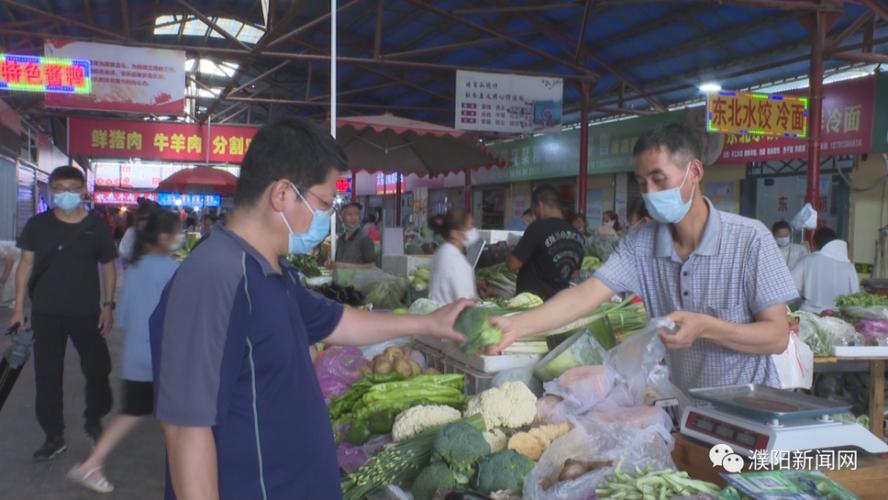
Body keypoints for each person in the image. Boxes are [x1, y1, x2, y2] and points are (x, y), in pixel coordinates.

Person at [149, 118, 469, 500]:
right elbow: (186, 430)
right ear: (283, 194)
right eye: (323, 202)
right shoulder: (214, 278)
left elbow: (338, 321)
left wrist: (430, 322)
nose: (327, 216)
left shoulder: (271, 270)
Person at [490, 123, 798, 392]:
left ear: (695, 172)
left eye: (659, 179)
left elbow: (776, 336)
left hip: (749, 407)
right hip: (686, 408)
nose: (649, 193)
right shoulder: (641, 243)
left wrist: (705, 327)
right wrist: (518, 325)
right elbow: (584, 296)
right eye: (641, 182)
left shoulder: (750, 239)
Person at [67, 208, 182, 494]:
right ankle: (186, 479)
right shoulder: (172, 270)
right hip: (162, 357)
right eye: (177, 233)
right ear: (166, 237)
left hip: (137, 355)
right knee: (173, 418)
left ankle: (92, 464)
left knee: (137, 413)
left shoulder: (136, 267)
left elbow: (126, 317)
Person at [10, 166, 118, 461]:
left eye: (72, 188)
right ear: (50, 191)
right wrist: (19, 307)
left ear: (83, 190)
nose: (65, 194)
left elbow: (109, 268)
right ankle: (52, 436)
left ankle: (93, 419)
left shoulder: (96, 226)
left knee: (98, 369)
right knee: (47, 377)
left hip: (86, 313)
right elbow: (26, 266)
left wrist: (108, 306)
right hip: (46, 314)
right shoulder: (37, 225)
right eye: (59, 188)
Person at [507, 184, 585, 300]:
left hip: (532, 305)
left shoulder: (537, 228)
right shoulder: (578, 236)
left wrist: (509, 249)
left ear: (539, 204)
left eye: (535, 209)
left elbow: (512, 265)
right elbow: (574, 274)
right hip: (559, 304)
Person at [791, 227, 859, 313]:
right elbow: (855, 296)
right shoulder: (849, 266)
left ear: (814, 244)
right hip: (839, 318)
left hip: (809, 315)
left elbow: (790, 289)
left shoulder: (807, 260)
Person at [428, 208, 479, 304]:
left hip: (439, 314)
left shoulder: (442, 251)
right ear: (455, 234)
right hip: (452, 317)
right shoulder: (456, 261)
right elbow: (466, 302)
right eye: (470, 227)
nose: (474, 230)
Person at [328, 202, 375, 269]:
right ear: (342, 218)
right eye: (349, 214)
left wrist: (344, 266)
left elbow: (372, 266)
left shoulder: (365, 239)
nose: (353, 218)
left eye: (357, 214)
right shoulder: (340, 239)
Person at [118, 199, 157, 265]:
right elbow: (123, 254)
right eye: (143, 218)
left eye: (150, 219)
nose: (146, 222)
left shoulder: (158, 234)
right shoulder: (131, 232)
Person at [0, 239, 20, 308]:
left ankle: (15, 302)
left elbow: (9, 260)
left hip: (18, 255)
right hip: (9, 257)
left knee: (10, 278)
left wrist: (4, 277)